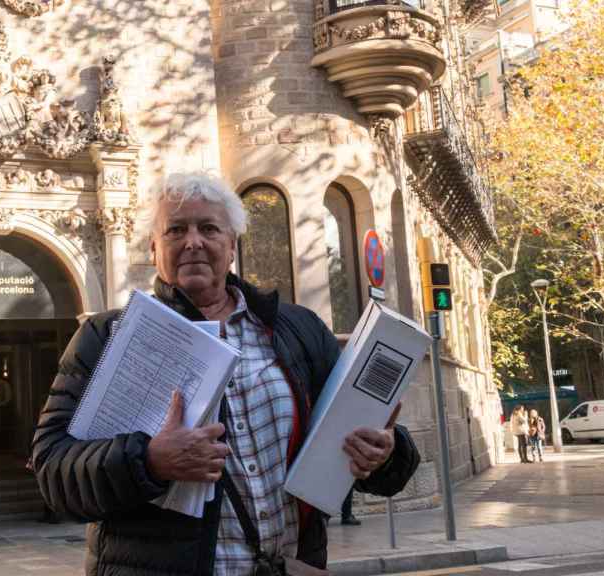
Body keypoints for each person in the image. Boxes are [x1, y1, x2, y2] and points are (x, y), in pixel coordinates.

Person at [31, 172, 421, 575]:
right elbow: (52, 470)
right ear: (153, 247)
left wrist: (386, 453)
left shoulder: (297, 329)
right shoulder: (107, 336)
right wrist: (148, 461)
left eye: (209, 228)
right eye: (176, 229)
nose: (193, 241)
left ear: (231, 245)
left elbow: (365, 453)